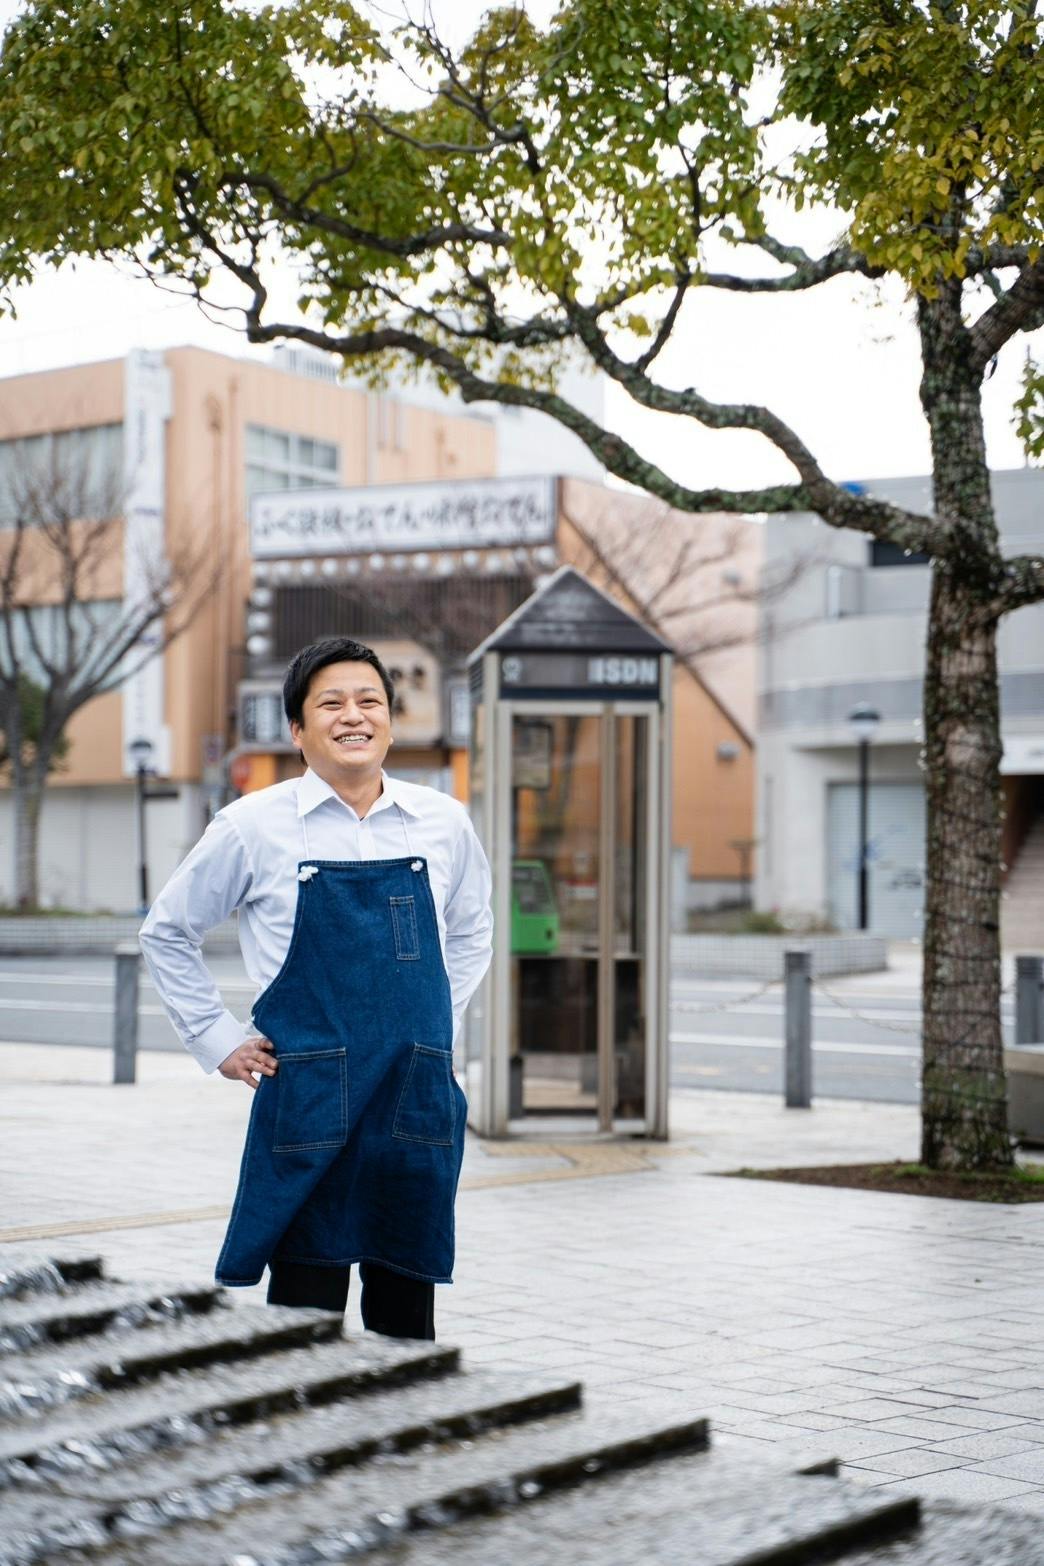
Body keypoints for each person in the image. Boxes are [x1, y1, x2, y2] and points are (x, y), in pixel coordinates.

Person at [140, 636, 493, 1340]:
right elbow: (168, 931)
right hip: (308, 1097)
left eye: (370, 701)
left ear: (390, 720)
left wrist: (435, 1029)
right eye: (331, 703)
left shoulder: (444, 821)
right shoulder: (252, 826)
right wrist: (218, 1040)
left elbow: (472, 930)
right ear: (297, 729)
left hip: (413, 1093)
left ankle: (405, 1415)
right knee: (304, 1313)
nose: (353, 716)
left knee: (406, 1309)